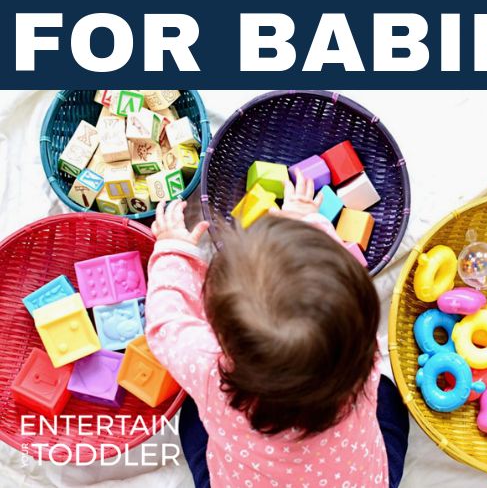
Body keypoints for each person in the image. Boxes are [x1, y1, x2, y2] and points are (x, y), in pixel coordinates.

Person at [145, 174, 409, 486]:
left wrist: (171, 250)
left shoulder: (208, 374)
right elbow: (333, 277)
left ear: (222, 336)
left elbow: (166, 324)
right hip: (365, 479)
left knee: (191, 415)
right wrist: (309, 221)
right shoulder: (364, 356)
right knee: (389, 399)